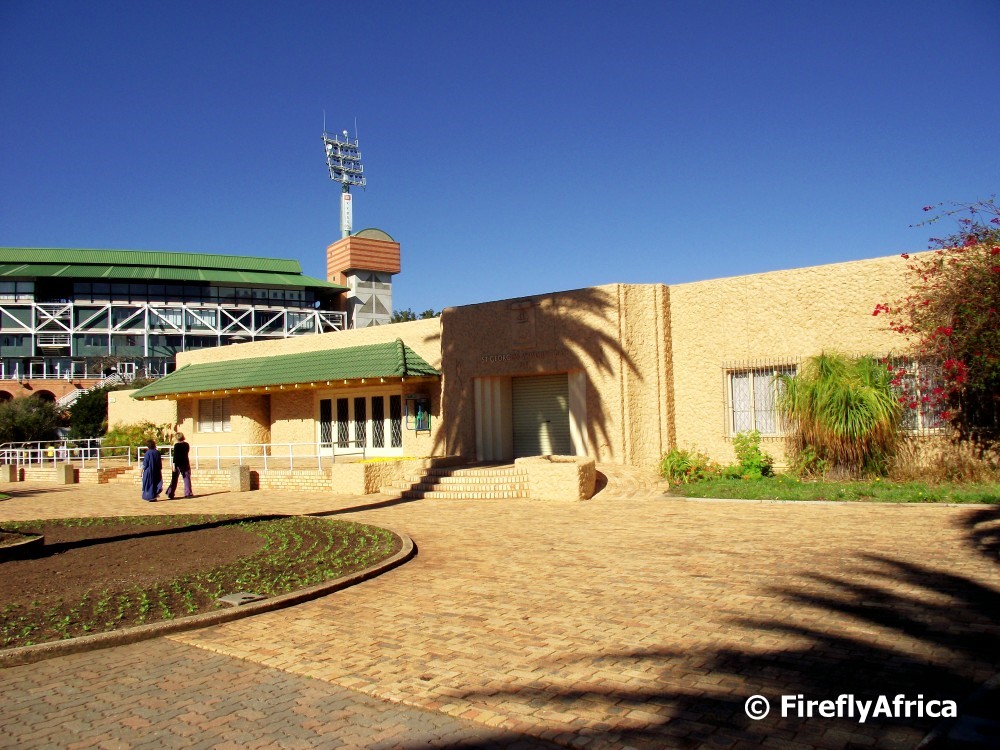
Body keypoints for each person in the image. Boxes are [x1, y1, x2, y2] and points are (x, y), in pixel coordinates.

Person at [165, 432, 193, 499]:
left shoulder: (177, 446)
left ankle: (170, 493)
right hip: (185, 463)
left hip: (178, 464)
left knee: (174, 479)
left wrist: (174, 465)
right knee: (187, 479)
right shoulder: (186, 444)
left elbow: (175, 457)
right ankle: (188, 493)